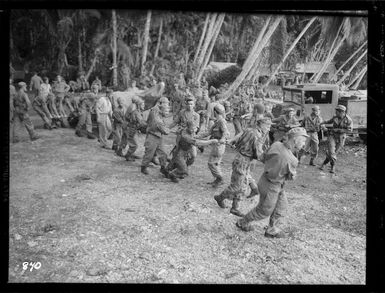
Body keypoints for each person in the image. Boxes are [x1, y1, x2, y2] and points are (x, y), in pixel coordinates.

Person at [235, 127, 309, 238]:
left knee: (281, 206)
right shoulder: (292, 160)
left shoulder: (277, 145)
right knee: (264, 211)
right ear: (294, 140)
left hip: (266, 180)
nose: (304, 144)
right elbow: (290, 177)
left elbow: (264, 157)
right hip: (273, 186)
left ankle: (272, 229)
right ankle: (243, 222)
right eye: (303, 141)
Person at [214, 117, 273, 217]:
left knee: (243, 184)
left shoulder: (250, 130)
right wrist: (269, 158)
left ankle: (235, 208)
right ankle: (220, 197)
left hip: (243, 159)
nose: (269, 128)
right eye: (268, 126)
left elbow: (239, 138)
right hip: (243, 161)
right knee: (237, 186)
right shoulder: (257, 135)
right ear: (261, 124)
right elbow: (259, 154)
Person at [196, 103, 230, 188]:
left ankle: (220, 179)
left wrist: (222, 139)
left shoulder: (221, 122)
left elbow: (225, 132)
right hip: (216, 144)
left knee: (211, 163)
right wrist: (197, 136)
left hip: (219, 145)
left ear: (215, 112)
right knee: (215, 163)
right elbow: (208, 133)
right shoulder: (216, 122)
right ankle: (218, 180)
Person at [319, 105, 353, 174]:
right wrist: (322, 122)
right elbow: (329, 121)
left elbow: (349, 130)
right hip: (332, 136)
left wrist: (337, 130)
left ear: (342, 112)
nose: (336, 113)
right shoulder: (335, 117)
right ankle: (333, 166)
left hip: (341, 138)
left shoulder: (348, 120)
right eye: (336, 111)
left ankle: (324, 164)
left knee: (333, 154)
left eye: (337, 112)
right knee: (331, 152)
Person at [140, 97, 170, 176]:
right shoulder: (154, 110)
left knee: (163, 153)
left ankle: (163, 168)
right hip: (152, 135)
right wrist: (166, 130)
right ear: (161, 103)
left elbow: (163, 118)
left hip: (158, 135)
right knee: (149, 153)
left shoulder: (159, 110)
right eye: (166, 104)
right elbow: (157, 123)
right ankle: (143, 167)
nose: (167, 105)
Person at [169, 95, 200, 166]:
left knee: (193, 155)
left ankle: (185, 165)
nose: (189, 106)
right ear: (185, 104)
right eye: (188, 104)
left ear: (194, 105)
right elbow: (175, 122)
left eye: (191, 104)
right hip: (181, 135)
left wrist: (193, 130)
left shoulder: (196, 115)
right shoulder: (182, 112)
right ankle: (174, 165)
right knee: (177, 151)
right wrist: (168, 128)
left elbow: (197, 127)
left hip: (191, 136)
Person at [120, 96, 147, 161]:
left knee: (132, 143)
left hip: (133, 129)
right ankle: (128, 155)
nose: (144, 106)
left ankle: (129, 154)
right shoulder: (136, 112)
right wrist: (149, 125)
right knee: (134, 145)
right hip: (131, 130)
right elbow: (141, 122)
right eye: (142, 105)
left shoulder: (139, 111)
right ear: (139, 105)